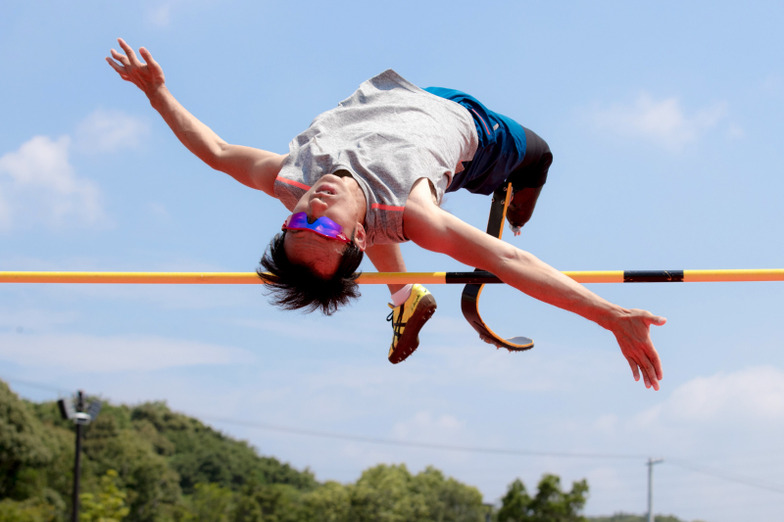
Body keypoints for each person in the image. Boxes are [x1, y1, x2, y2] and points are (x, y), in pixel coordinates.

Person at [107, 38, 667, 390]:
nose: (312, 211)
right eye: (324, 229)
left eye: (299, 222)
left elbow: (217, 153)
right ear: (350, 235)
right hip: (477, 133)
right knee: (539, 161)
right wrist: (610, 315)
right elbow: (509, 260)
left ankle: (403, 295)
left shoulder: (291, 180)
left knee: (360, 209)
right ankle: (517, 202)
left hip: (412, 95)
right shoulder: (416, 215)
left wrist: (157, 93)